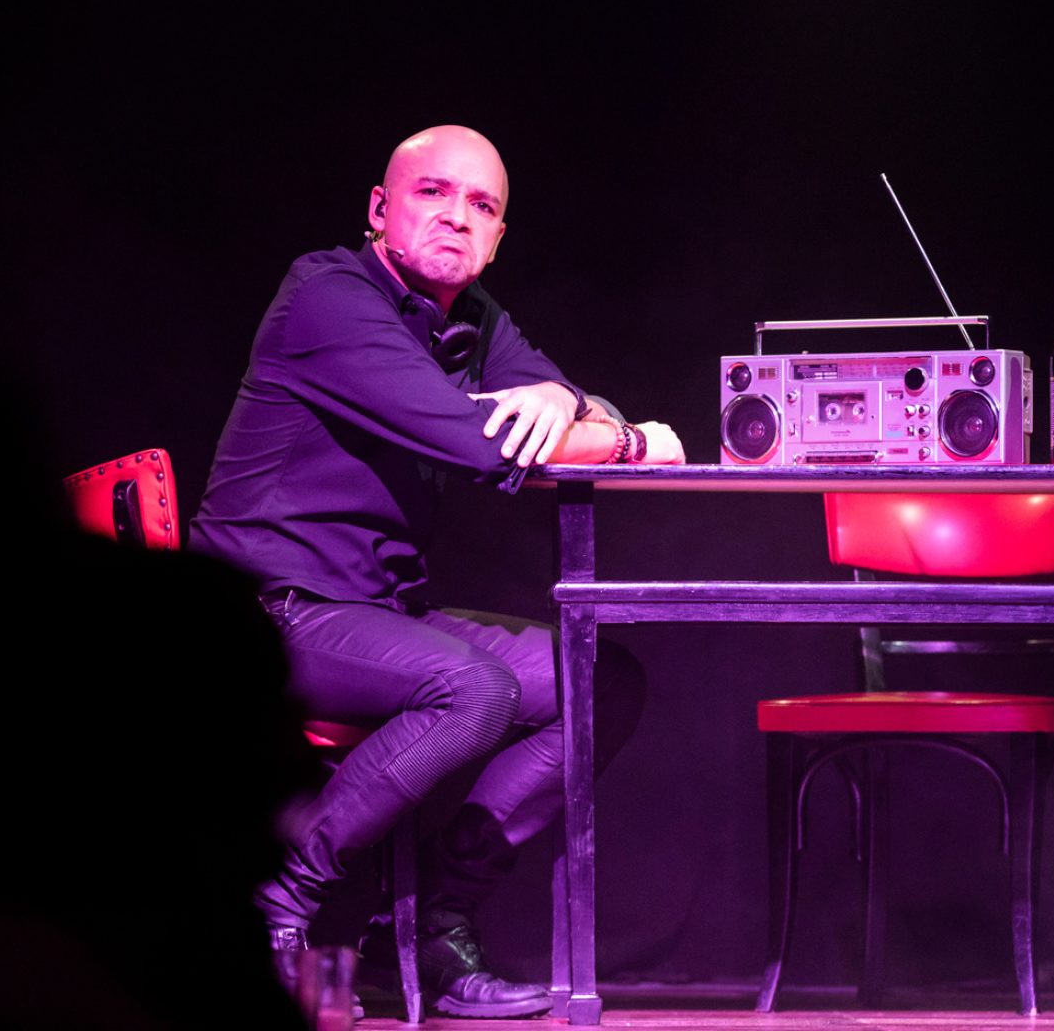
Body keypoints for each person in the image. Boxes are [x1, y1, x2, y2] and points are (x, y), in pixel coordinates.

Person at [189, 125, 684, 1019]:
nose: (457, 217)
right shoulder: (328, 296)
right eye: (434, 193)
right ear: (380, 209)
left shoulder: (475, 317)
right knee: (475, 689)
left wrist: (565, 398)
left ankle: (428, 927)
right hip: (266, 607)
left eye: (481, 206)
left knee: (596, 680)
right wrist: (633, 439)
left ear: (498, 238)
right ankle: (274, 905)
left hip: (376, 612)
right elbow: (486, 443)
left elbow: (569, 409)